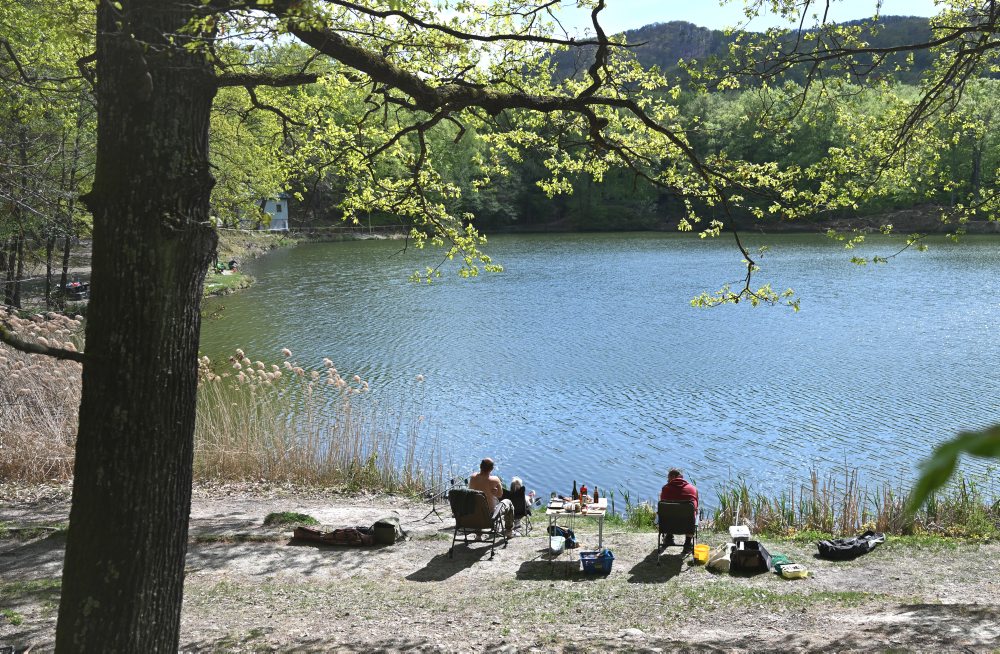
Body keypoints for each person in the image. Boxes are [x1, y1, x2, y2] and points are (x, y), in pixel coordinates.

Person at [468, 458, 514, 537]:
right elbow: (500, 495)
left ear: (480, 466)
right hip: (491, 515)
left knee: (478, 503)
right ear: (492, 469)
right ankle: (509, 531)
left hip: (475, 514)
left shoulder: (472, 477)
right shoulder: (495, 480)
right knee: (508, 502)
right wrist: (496, 492)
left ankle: (478, 535)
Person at [660, 468, 699, 554]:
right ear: (681, 477)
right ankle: (687, 545)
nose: (667, 480)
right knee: (693, 514)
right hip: (687, 527)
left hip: (668, 525)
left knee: (668, 512)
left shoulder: (665, 489)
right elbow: (696, 508)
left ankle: (669, 538)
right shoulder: (693, 489)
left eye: (668, 478)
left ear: (673, 477)